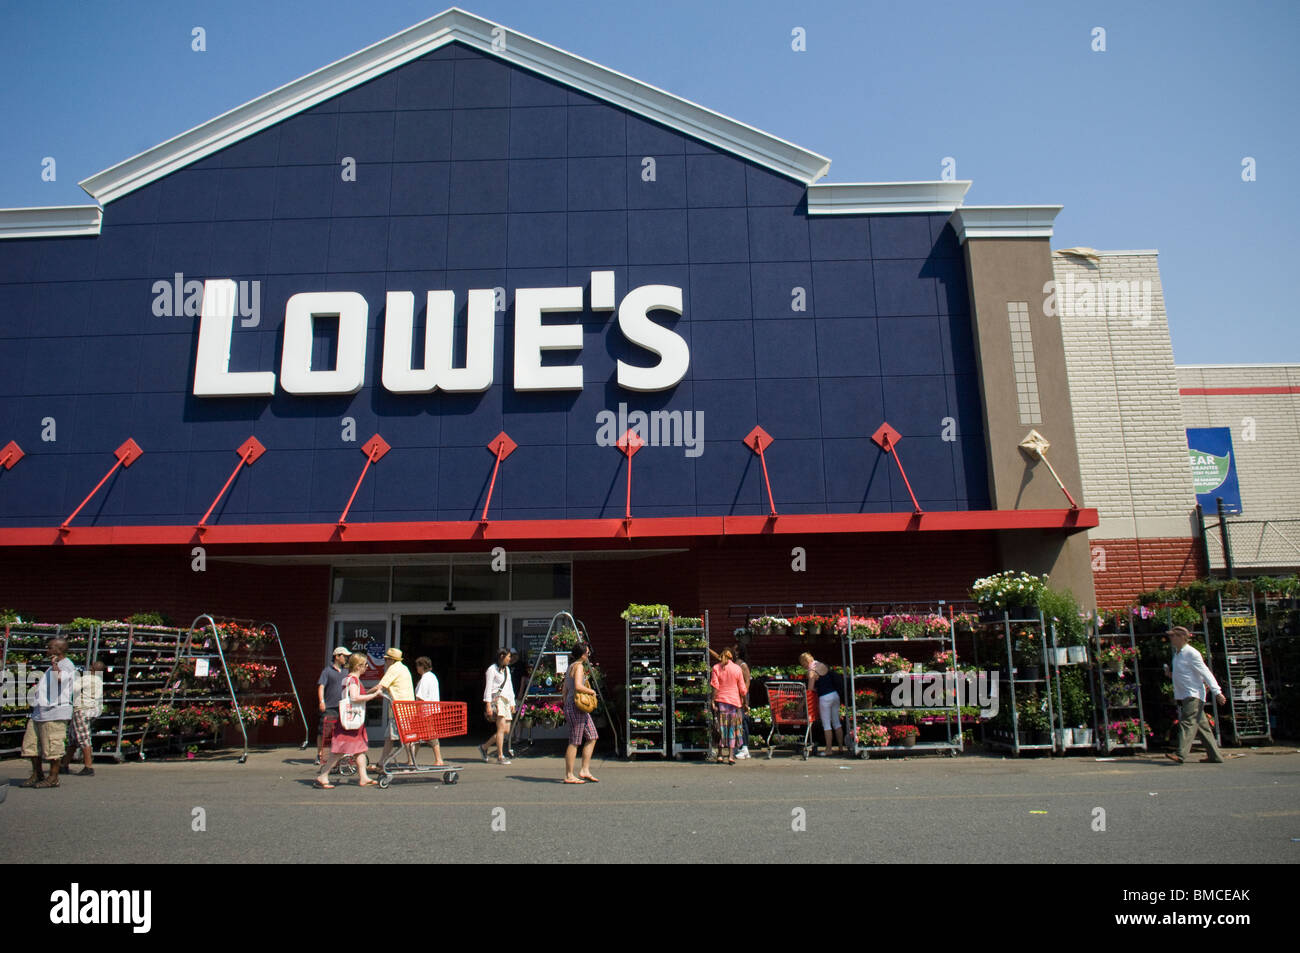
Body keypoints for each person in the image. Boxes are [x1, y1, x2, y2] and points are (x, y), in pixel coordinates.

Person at [315, 653, 382, 788]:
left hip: (352, 720)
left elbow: (354, 696)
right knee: (340, 750)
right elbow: (355, 698)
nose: (366, 668)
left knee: (360, 750)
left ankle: (363, 777)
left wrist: (370, 691)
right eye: (365, 665)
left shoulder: (348, 679)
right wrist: (374, 695)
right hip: (351, 722)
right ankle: (323, 775)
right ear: (358, 666)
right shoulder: (353, 680)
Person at [1164, 626, 1227, 765]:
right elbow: (1184, 674)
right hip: (1185, 694)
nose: (1171, 638)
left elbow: (1206, 673)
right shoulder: (1178, 653)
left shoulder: (1192, 653)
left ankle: (1180, 754)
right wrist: (1170, 674)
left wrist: (1217, 692)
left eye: (1173, 636)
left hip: (1193, 694)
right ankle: (1215, 756)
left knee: (1187, 722)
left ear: (1181, 637)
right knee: (1202, 727)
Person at [20, 638, 76, 788]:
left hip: (55, 712)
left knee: (53, 747)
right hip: (40, 711)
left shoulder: (67, 665)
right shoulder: (52, 667)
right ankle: (37, 774)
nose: (47, 649)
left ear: (59, 650)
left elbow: (60, 680)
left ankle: (53, 777)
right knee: (31, 745)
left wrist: (55, 664)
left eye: (50, 647)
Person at [562, 643, 599, 783]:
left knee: (592, 736)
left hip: (573, 706)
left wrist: (566, 703)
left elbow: (565, 689)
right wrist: (591, 691)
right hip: (577, 707)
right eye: (587, 653)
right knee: (575, 741)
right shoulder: (579, 667)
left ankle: (584, 769)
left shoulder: (570, 666)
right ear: (583, 654)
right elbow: (578, 686)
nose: (588, 655)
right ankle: (569, 775)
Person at [64, 660, 105, 776]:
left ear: (92, 669)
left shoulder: (87, 679)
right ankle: (64, 764)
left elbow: (74, 688)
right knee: (73, 737)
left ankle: (88, 766)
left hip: (81, 710)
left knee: (83, 737)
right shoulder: (99, 681)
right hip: (91, 710)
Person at [375, 647, 415, 768]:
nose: (385, 662)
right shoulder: (404, 668)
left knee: (403, 738)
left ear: (392, 660)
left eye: (387, 659)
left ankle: (411, 762)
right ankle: (382, 762)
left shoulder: (393, 668)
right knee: (393, 737)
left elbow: (381, 686)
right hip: (406, 709)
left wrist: (365, 694)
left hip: (400, 709)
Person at [800, 651, 844, 756]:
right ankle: (841, 747)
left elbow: (810, 689)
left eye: (803, 664)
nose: (804, 667)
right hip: (834, 695)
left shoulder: (811, 670)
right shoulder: (821, 664)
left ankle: (828, 749)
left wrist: (801, 704)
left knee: (826, 725)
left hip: (825, 697)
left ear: (806, 661)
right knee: (836, 722)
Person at [709, 647, 748, 764]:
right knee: (732, 729)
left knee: (721, 728)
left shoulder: (716, 668)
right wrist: (745, 703)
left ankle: (720, 755)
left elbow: (715, 686)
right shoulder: (737, 669)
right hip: (734, 703)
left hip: (721, 702)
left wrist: (713, 700)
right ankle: (731, 756)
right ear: (732, 657)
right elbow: (742, 689)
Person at [479, 649, 516, 765]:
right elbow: (488, 687)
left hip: (506, 700)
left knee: (506, 730)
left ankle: (484, 747)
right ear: (501, 656)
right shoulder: (492, 669)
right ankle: (500, 756)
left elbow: (509, 686)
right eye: (508, 657)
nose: (510, 659)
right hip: (498, 699)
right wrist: (488, 704)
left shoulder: (507, 670)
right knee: (500, 729)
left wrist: (512, 702)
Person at [315, 646, 350, 766]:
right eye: (344, 656)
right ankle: (320, 755)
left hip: (343, 707)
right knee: (324, 732)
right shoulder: (327, 671)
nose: (346, 658)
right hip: (330, 706)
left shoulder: (346, 671)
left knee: (341, 732)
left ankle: (338, 754)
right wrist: (321, 701)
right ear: (337, 656)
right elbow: (321, 686)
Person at [414, 656, 446, 767]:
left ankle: (439, 759)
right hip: (430, 710)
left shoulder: (425, 678)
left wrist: (415, 710)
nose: (417, 668)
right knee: (417, 737)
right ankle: (412, 759)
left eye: (418, 666)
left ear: (422, 666)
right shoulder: (433, 677)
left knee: (430, 736)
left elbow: (420, 697)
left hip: (424, 711)